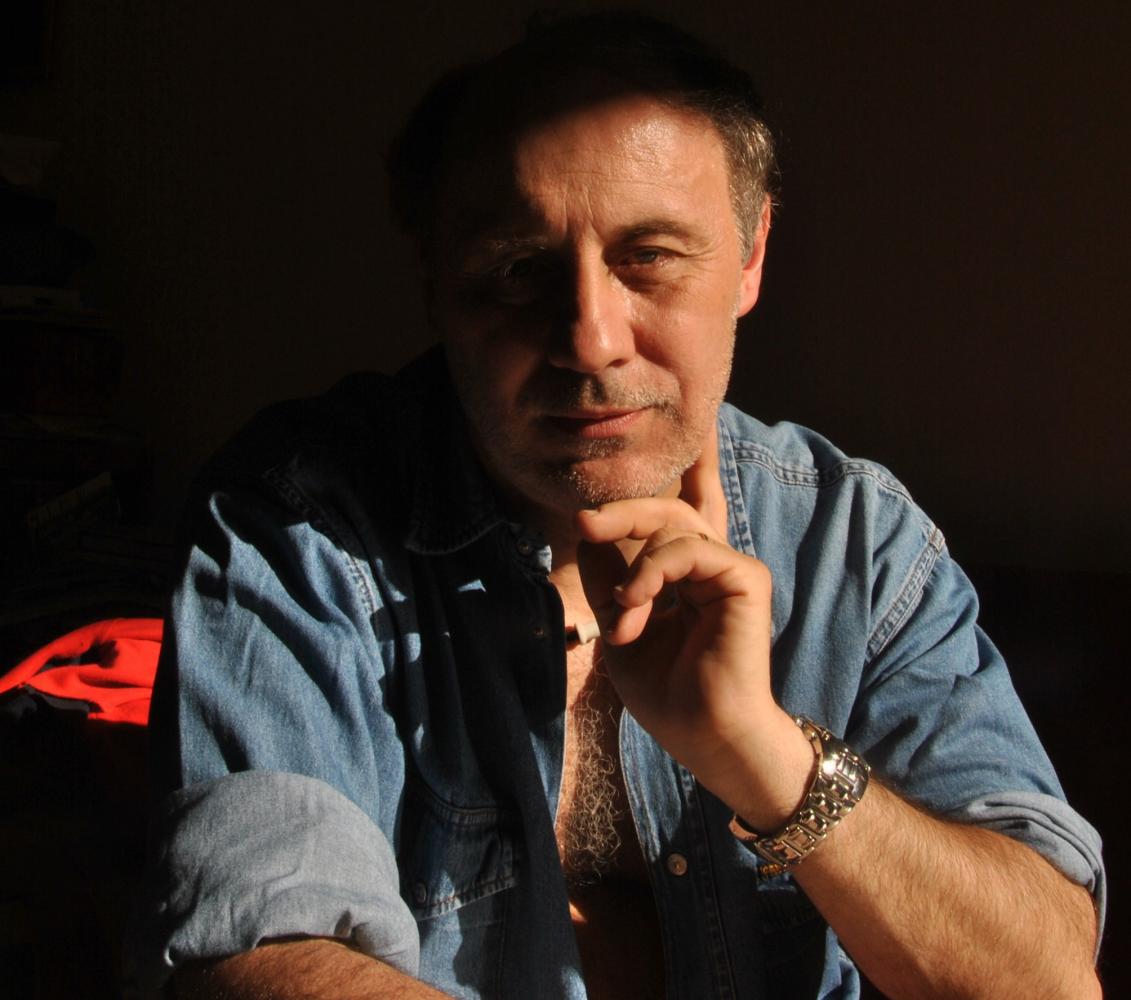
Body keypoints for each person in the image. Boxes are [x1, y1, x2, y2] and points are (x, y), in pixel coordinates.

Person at [126, 13, 1104, 999]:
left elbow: (1050, 979)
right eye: (518, 269)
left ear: (751, 255)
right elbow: (255, 956)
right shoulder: (301, 527)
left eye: (650, 255)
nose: (590, 338)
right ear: (436, 280)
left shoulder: (855, 545)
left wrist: (763, 753)